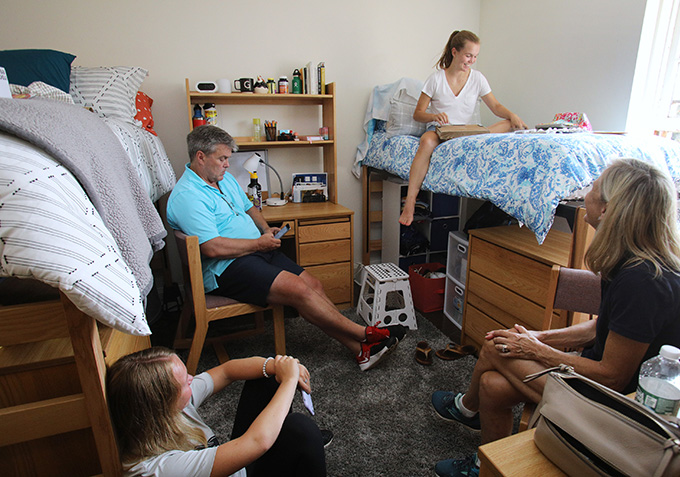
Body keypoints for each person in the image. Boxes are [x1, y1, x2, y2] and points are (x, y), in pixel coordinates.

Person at [429, 158, 680, 476]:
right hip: (602, 386)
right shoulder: (632, 262)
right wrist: (537, 338)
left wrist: (533, 349)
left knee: (495, 348)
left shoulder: (644, 282)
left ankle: (466, 409)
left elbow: (611, 376)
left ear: (609, 210)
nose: (588, 191)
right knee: (492, 384)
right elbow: (601, 328)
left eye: (594, 187)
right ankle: (484, 463)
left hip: (621, 413)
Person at [167, 125, 406, 371]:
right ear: (200, 157)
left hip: (255, 251)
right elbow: (212, 248)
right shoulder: (188, 196)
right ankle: (366, 334)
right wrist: (257, 244)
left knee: (313, 284)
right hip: (225, 267)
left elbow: (250, 208)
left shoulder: (222, 179)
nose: (228, 164)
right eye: (222, 158)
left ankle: (361, 351)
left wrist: (264, 230)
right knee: (299, 291)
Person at [107, 347, 326, 477]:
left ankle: (300, 450)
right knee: (302, 431)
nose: (192, 380)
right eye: (184, 383)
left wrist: (275, 365)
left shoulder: (170, 409)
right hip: (248, 453)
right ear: (160, 404)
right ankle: (303, 449)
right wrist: (289, 378)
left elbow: (227, 371)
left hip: (233, 464)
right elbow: (258, 442)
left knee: (265, 378)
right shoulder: (160, 469)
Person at [399, 30, 527, 226]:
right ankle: (410, 203)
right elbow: (418, 113)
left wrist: (512, 115)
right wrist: (434, 116)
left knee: (509, 124)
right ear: (454, 52)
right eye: (468, 55)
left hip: (467, 133)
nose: (472, 60)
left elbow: (495, 106)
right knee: (426, 141)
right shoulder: (436, 79)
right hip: (441, 131)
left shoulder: (478, 78)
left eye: (475, 56)